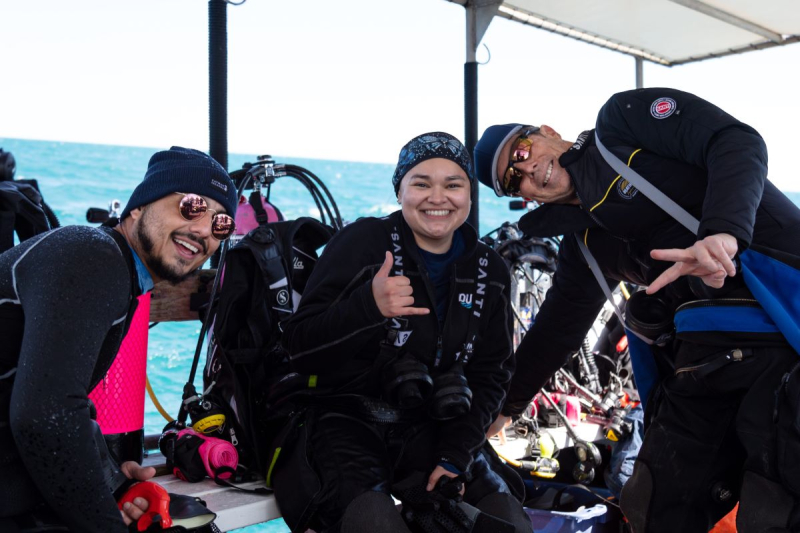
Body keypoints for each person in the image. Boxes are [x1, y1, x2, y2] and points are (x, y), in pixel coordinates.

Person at [473, 87, 800, 532]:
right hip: (705, 353)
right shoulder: (583, 248)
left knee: (775, 505)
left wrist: (723, 232)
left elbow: (735, 141)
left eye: (522, 150)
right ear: (526, 198)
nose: (527, 169)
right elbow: (553, 334)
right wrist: (492, 417)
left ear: (547, 131)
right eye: (514, 181)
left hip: (780, 314)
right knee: (649, 504)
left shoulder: (622, 123)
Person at [270, 132, 531, 533]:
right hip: (347, 417)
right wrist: (367, 308)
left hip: (434, 421)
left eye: (453, 184)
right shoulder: (364, 242)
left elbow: (491, 374)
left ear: (469, 195)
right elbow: (299, 348)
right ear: (400, 191)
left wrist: (455, 454)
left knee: (506, 517)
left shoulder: (489, 269)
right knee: (373, 520)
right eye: (421, 183)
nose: (437, 197)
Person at [0, 147, 238, 532]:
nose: (202, 230)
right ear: (138, 207)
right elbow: (46, 417)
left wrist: (112, 479)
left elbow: (53, 398)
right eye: (192, 206)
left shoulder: (115, 270)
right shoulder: (93, 256)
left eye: (221, 224)